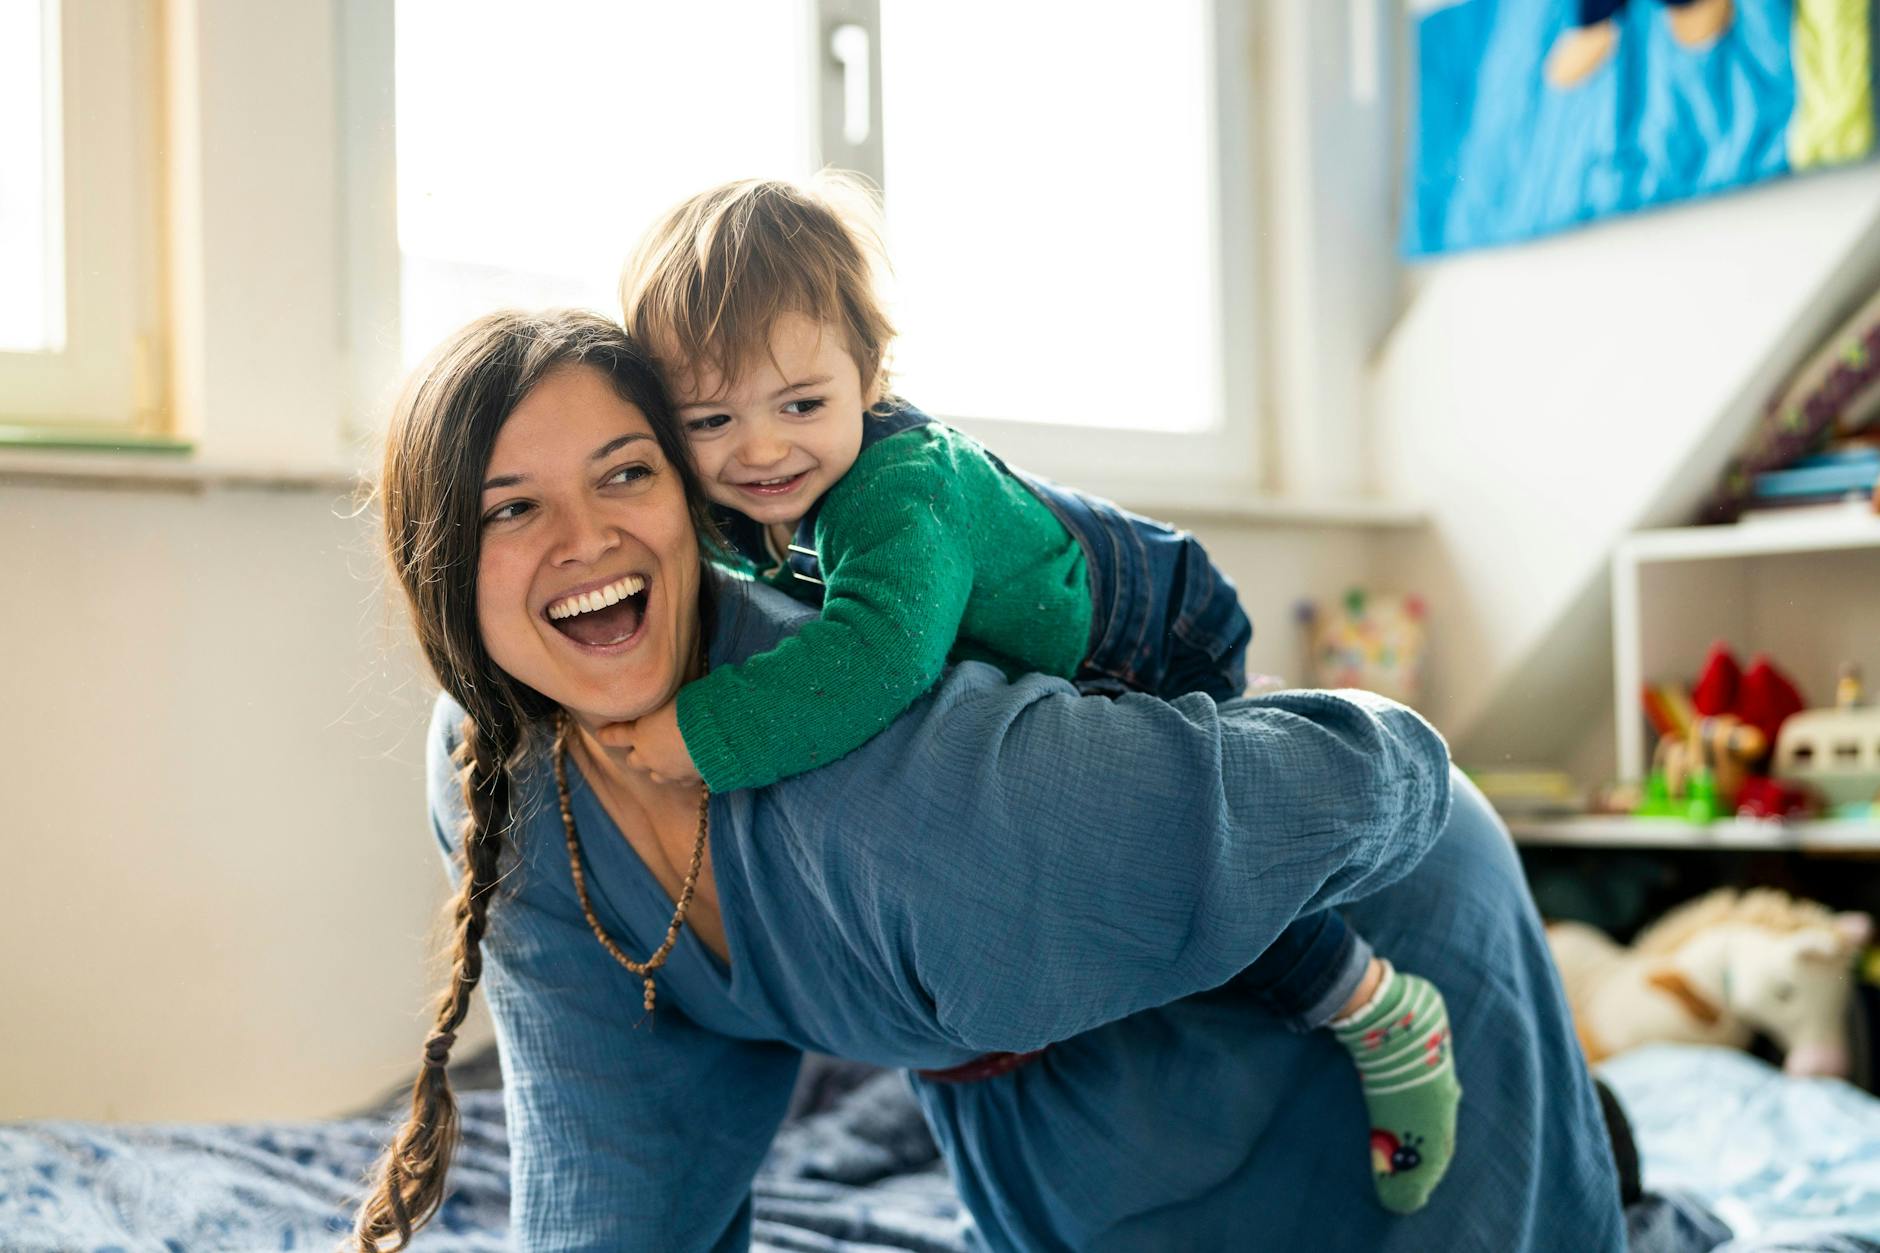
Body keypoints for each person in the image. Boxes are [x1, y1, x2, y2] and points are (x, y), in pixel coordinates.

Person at [354, 308, 1626, 1252]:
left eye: (625, 472)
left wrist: (1410, 766)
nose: (586, 539)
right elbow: (610, 1139)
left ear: (688, 505)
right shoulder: (498, 780)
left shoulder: (906, 789)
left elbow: (1382, 768)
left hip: (1363, 902)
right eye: (507, 507)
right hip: (1037, 1067)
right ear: (435, 564)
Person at [613, 177, 1461, 1211]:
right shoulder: (743, 496)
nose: (759, 448)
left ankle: (1376, 1006)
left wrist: (704, 730)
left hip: (1142, 629)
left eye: (800, 404)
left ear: (868, 376)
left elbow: (876, 657)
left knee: (1181, 862)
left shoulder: (896, 492)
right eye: (709, 418)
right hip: (1033, 639)